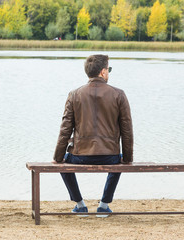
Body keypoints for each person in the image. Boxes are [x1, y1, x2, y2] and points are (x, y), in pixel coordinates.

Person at [53, 54, 133, 217]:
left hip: (80, 156)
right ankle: (103, 205)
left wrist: (57, 157)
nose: (108, 73)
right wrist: (128, 158)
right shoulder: (119, 94)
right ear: (103, 72)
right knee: (120, 160)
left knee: (63, 162)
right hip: (110, 156)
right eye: (108, 70)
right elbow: (127, 130)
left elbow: (65, 129)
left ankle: (80, 204)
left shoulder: (74, 94)